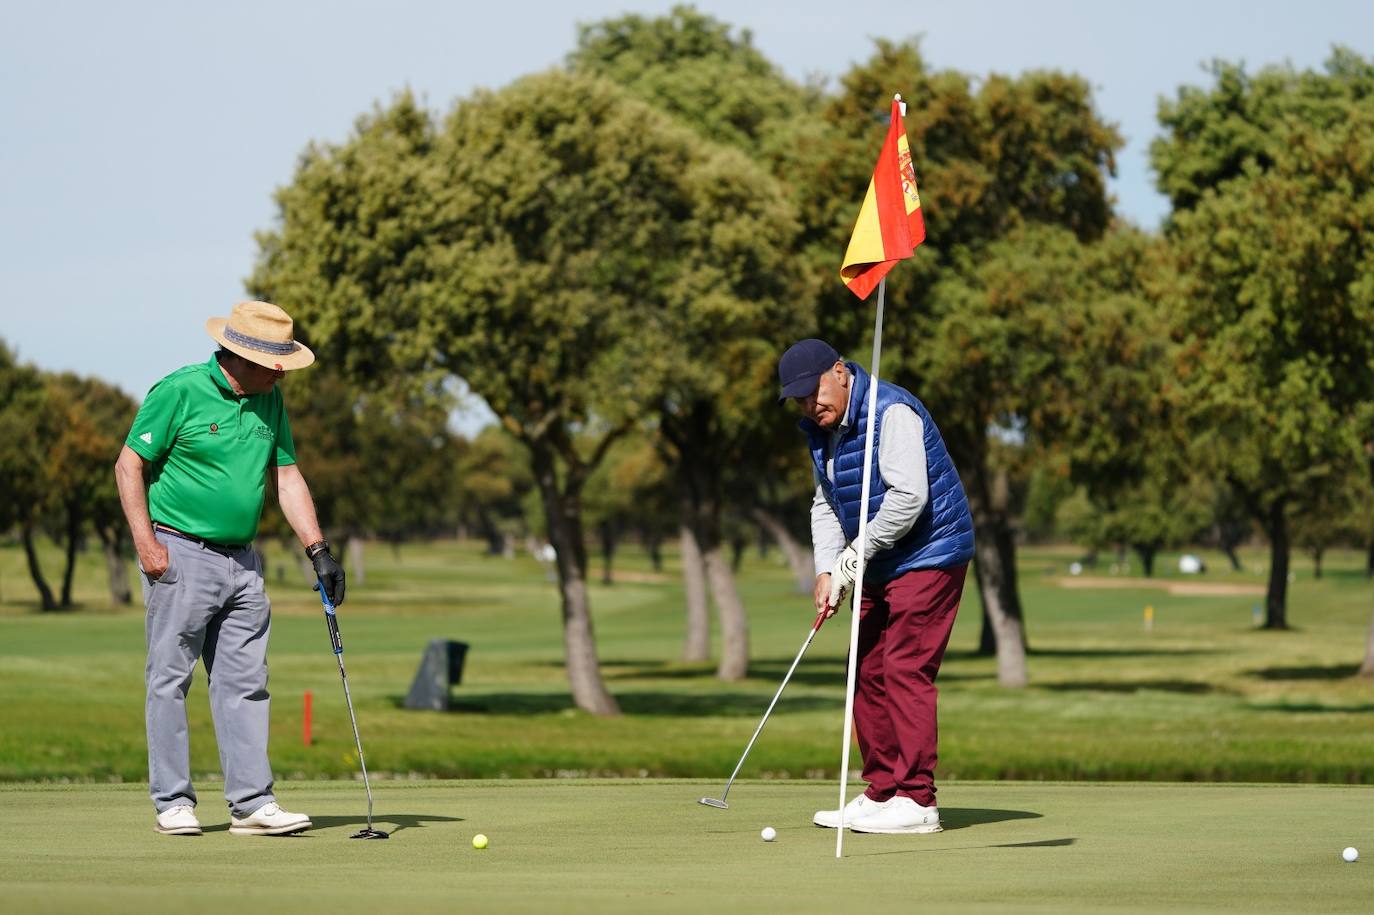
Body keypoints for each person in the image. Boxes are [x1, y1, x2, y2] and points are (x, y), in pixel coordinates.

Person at [114, 300, 346, 837]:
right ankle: (172, 802)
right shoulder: (179, 390)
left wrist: (318, 549)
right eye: (275, 363)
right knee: (170, 679)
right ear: (241, 356)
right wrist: (146, 544)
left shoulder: (271, 401)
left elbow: (286, 477)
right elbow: (130, 464)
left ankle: (251, 803)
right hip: (180, 552)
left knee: (245, 682)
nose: (282, 372)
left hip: (244, 563)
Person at [778, 338, 974, 835]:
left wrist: (852, 558)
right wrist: (827, 569)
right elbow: (826, 504)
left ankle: (917, 800)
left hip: (931, 552)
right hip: (878, 558)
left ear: (840, 372)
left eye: (814, 392)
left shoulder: (892, 412)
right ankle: (884, 791)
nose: (809, 405)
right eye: (799, 399)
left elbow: (909, 498)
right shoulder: (817, 432)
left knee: (904, 667)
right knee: (865, 671)